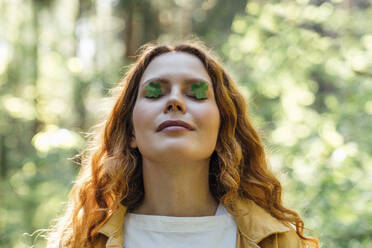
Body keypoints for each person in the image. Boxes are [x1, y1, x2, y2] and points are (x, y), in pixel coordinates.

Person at [45, 40, 319, 248]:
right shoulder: (84, 242)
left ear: (223, 131)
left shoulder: (278, 241)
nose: (174, 101)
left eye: (197, 93)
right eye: (154, 92)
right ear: (130, 132)